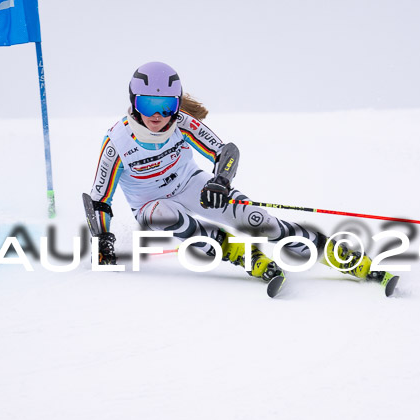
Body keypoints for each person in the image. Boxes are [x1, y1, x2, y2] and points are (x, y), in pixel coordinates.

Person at [86, 61, 378, 291]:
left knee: (258, 221)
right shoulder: (118, 143)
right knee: (164, 216)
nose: (158, 115)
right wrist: (103, 240)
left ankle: (332, 252)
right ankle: (238, 252)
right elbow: (100, 199)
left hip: (190, 185)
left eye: (167, 106)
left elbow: (226, 152)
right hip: (150, 204)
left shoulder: (183, 124)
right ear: (133, 101)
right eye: (148, 104)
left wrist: (220, 181)